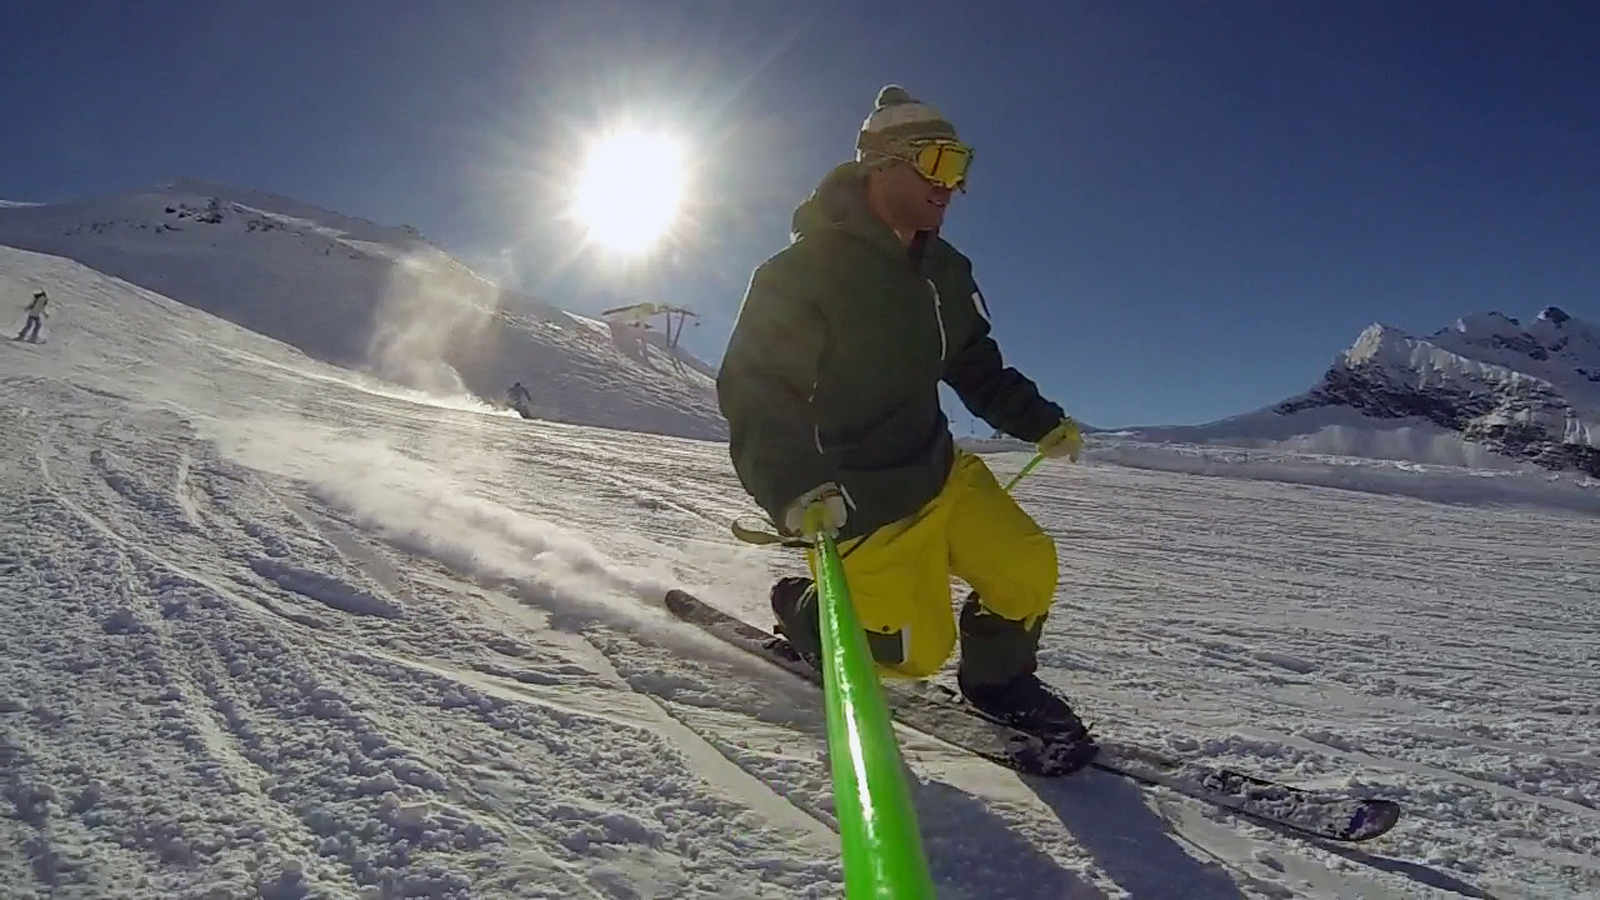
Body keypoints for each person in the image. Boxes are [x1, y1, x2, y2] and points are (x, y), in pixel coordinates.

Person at [716, 85, 1089, 738]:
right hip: (857, 495)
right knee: (912, 653)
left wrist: (1039, 420)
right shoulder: (801, 272)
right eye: (937, 163)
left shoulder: (945, 268)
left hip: (937, 468)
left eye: (961, 166)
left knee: (1027, 567)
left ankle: (998, 685)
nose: (952, 186)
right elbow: (757, 385)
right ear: (881, 164)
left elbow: (973, 361)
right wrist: (794, 487)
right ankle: (807, 611)